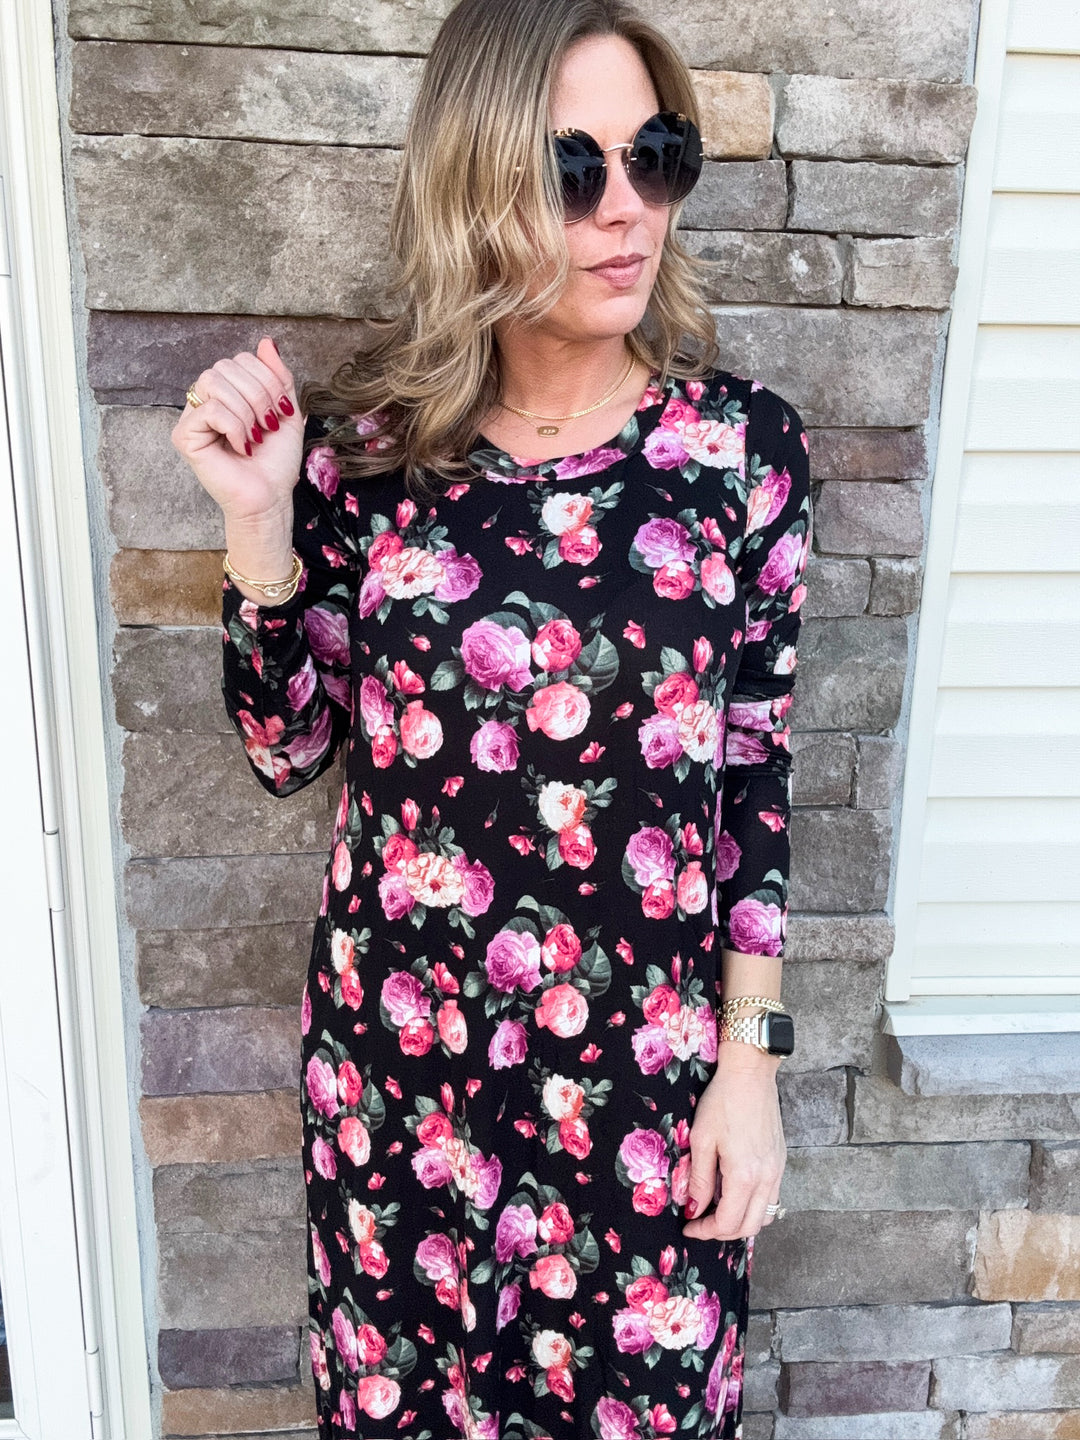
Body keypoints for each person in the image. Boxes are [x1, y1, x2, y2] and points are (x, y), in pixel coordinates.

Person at [171, 1, 809, 1435]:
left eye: (655, 156)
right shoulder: (366, 461)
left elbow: (752, 771)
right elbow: (287, 750)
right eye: (574, 169)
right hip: (400, 1086)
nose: (626, 207)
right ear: (476, 185)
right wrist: (260, 528)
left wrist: (750, 1063)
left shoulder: (739, 451)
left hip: (642, 1089)